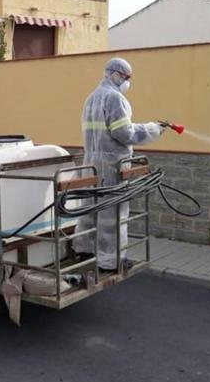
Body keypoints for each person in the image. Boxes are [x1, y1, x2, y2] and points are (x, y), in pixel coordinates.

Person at [73, 57, 165, 271]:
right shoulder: (114, 98)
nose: (127, 82)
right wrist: (152, 129)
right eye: (126, 77)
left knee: (89, 210)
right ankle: (110, 261)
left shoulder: (91, 98)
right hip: (112, 166)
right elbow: (123, 132)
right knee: (112, 215)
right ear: (114, 74)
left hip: (91, 164)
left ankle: (83, 251)